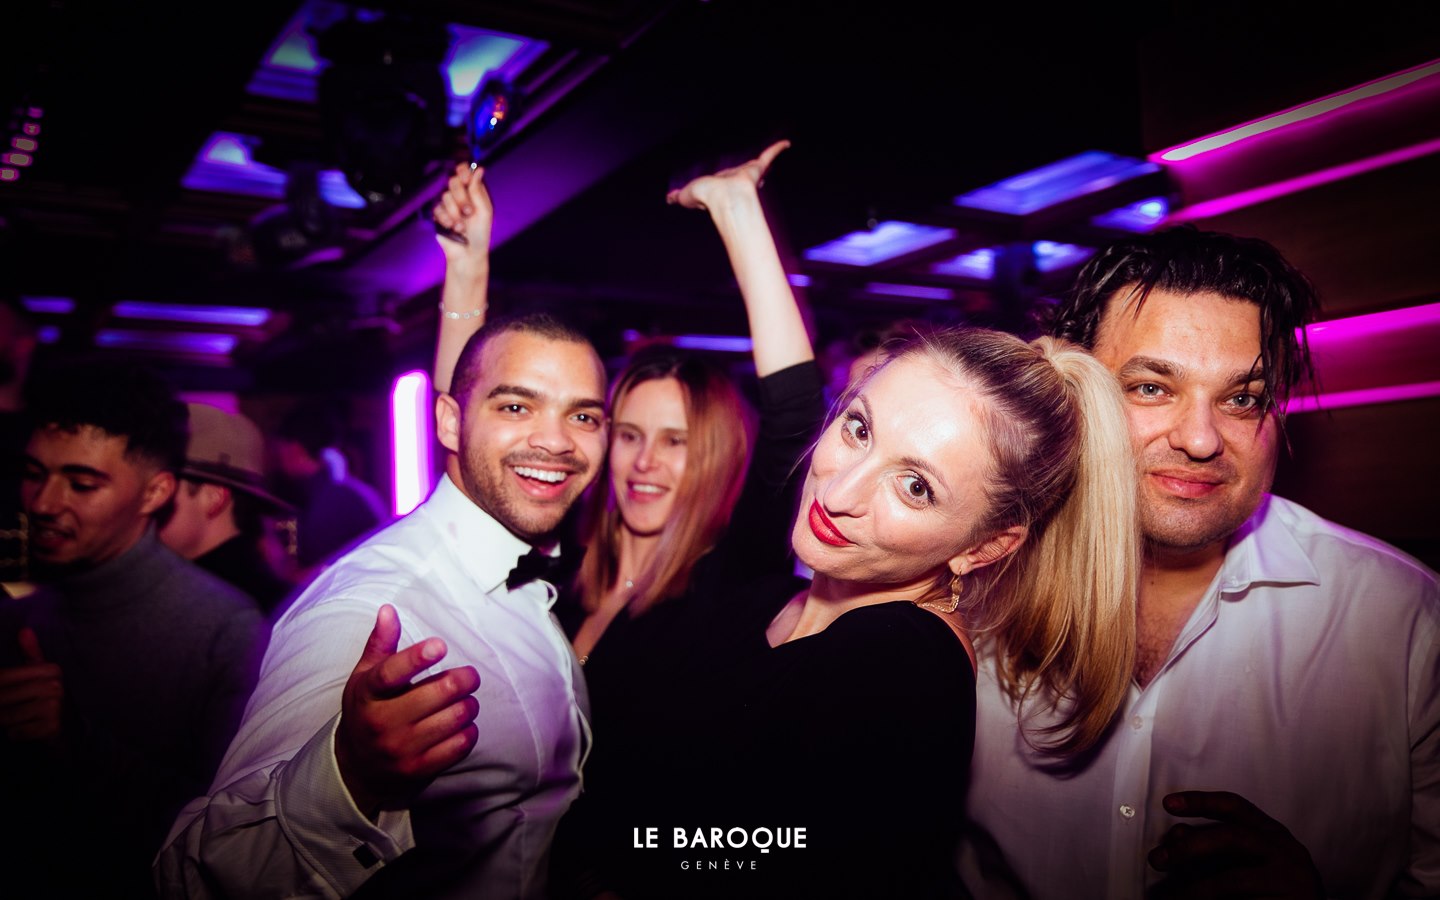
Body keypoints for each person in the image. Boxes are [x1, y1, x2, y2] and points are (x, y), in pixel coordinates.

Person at [960, 227, 1440, 899]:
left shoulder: (1406, 621)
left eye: (1242, 398)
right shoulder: (971, 594)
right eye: (1151, 387)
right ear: (1072, 394)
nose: (1200, 439)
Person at [431, 144, 827, 894]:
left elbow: (795, 413)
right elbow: (472, 435)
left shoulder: (733, 578)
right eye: (631, 435)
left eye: (676, 442)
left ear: (714, 457)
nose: (646, 462)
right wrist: (466, 264)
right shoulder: (562, 563)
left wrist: (738, 212)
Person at [157, 312, 609, 899]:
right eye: (516, 406)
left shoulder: (527, 567)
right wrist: (348, 774)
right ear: (450, 422)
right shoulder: (373, 608)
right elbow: (197, 880)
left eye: (582, 416)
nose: (556, 441)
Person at [0, 365, 265, 899]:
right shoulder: (21, 618)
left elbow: (239, 841)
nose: (43, 503)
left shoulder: (227, 633)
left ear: (155, 493)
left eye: (82, 484)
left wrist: (73, 743)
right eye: (33, 473)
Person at [159, 402, 295, 614]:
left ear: (213, 498)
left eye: (164, 487)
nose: (150, 500)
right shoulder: (261, 592)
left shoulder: (214, 606)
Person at [273, 399, 387, 576]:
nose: (276, 457)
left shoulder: (333, 500)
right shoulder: (346, 491)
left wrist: (278, 567)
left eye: (279, 448)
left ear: (294, 448)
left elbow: (322, 576)